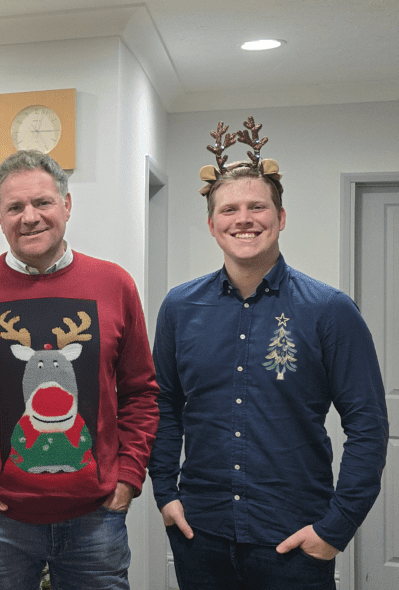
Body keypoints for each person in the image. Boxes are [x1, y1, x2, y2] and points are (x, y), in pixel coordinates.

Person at [148, 118, 389, 590]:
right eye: (229, 209)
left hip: (294, 541)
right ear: (212, 225)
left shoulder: (329, 310)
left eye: (257, 206)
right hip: (201, 536)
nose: (244, 219)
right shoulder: (180, 307)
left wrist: (336, 527)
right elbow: (164, 404)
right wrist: (163, 491)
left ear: (280, 217)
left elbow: (368, 425)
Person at [0, 149, 159, 590]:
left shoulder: (114, 285)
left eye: (42, 203)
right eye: (15, 207)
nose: (29, 217)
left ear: (66, 206)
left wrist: (129, 477)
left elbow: (141, 392)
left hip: (96, 518)